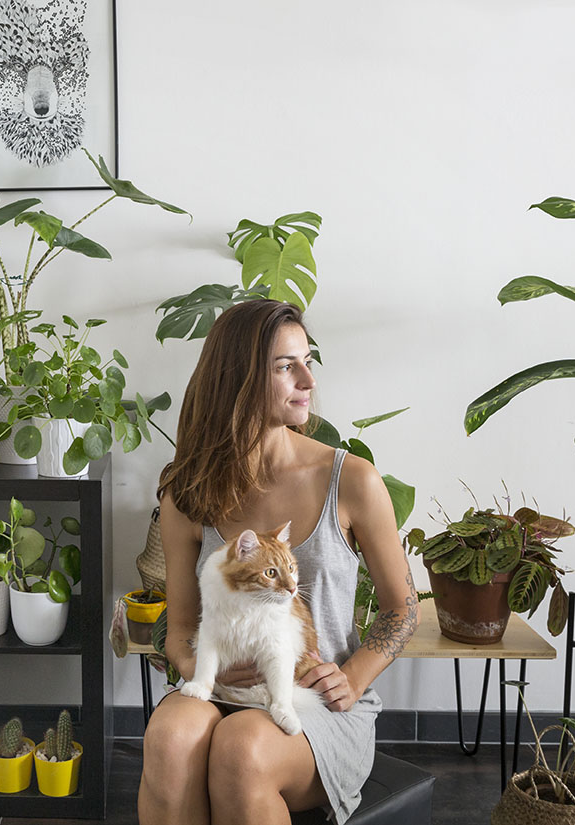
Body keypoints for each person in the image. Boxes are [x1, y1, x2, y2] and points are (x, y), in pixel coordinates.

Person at [138, 300, 419, 825]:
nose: (308, 380)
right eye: (286, 366)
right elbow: (179, 632)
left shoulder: (352, 481)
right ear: (237, 379)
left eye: (307, 362)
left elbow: (402, 609)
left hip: (314, 704)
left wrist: (353, 677)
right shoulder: (187, 493)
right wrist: (199, 669)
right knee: (170, 738)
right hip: (222, 687)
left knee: (241, 748)